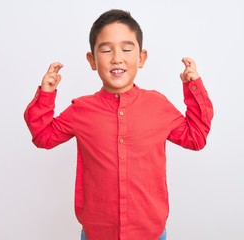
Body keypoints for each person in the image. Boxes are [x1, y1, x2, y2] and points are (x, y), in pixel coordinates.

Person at [24, 9, 213, 240]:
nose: (116, 57)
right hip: (97, 233)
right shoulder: (81, 110)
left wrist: (194, 89)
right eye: (105, 49)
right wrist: (46, 95)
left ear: (141, 58)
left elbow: (196, 138)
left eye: (126, 49)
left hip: (150, 233)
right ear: (92, 60)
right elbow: (43, 136)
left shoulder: (158, 105)